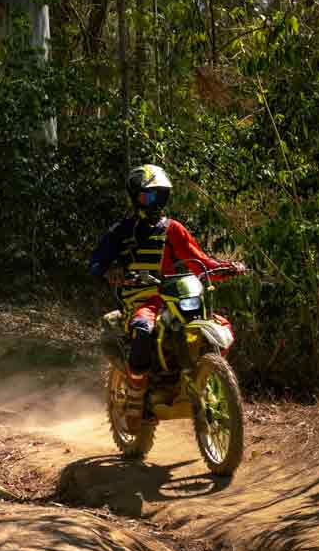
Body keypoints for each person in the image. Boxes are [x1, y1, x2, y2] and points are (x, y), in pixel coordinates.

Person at [88, 165, 244, 432]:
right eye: (148, 196)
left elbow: (201, 262)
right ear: (135, 196)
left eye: (159, 196)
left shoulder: (173, 229)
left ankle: (206, 376)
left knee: (221, 324)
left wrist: (226, 268)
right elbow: (95, 263)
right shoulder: (122, 231)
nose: (154, 202)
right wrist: (111, 270)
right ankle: (136, 398)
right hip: (140, 302)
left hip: (175, 297)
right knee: (143, 329)